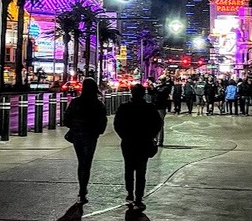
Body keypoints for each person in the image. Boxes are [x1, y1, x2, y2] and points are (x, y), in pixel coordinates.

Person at [113, 84, 161, 212]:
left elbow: (117, 124)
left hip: (128, 142)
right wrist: (151, 136)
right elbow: (157, 124)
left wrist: (124, 136)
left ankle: (130, 193)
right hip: (143, 142)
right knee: (141, 170)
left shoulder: (124, 108)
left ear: (131, 93)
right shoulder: (149, 108)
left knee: (128, 168)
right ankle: (138, 197)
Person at [64, 78, 107, 205]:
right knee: (87, 162)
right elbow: (102, 122)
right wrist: (98, 131)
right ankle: (83, 189)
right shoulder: (98, 104)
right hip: (91, 136)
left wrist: (75, 126)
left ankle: (82, 189)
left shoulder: (76, 102)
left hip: (78, 135)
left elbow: (66, 119)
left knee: (81, 161)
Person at [149, 76, 171, 146]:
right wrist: (150, 87)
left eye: (161, 80)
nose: (159, 81)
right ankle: (154, 138)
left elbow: (160, 94)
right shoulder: (158, 87)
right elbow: (152, 93)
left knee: (160, 124)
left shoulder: (166, 87)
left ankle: (160, 140)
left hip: (161, 107)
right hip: (155, 106)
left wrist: (154, 88)